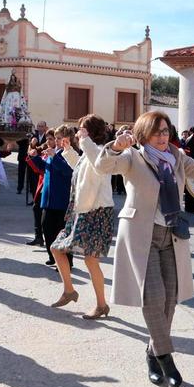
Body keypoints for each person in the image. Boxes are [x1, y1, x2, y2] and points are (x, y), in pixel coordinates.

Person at [96, 111, 194, 387]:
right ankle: (166, 359)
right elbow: (103, 166)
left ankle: (152, 352)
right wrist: (116, 146)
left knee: (170, 298)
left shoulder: (176, 157)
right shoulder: (133, 157)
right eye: (157, 132)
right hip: (142, 235)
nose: (163, 137)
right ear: (144, 134)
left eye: (166, 131)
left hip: (172, 234)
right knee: (153, 297)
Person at [50, 115, 115, 319]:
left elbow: (97, 163)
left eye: (81, 130)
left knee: (90, 260)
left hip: (96, 212)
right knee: (57, 249)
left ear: (90, 132)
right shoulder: (90, 152)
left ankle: (101, 305)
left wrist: (84, 140)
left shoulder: (101, 151)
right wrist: (68, 151)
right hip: (84, 211)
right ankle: (70, 291)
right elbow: (80, 167)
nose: (78, 133)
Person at [29, 126, 79, 265]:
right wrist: (34, 158)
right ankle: (53, 257)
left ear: (66, 139)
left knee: (62, 232)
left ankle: (67, 262)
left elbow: (68, 172)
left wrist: (54, 157)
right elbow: (45, 168)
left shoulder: (70, 153)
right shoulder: (55, 152)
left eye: (58, 138)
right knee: (46, 228)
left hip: (62, 199)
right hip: (49, 198)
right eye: (55, 138)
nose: (55, 141)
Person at [25, 130, 57, 247]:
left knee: (44, 213)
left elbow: (44, 169)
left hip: (50, 186)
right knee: (36, 208)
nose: (48, 141)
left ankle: (45, 238)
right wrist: (33, 157)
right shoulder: (45, 152)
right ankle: (38, 236)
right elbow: (38, 169)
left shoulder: (57, 153)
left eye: (51, 139)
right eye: (47, 139)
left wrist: (36, 160)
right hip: (42, 184)